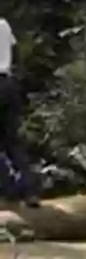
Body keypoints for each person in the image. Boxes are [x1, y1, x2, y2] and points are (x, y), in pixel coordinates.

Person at [0, 17, 39, 207]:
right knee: (13, 142)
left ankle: (10, 192)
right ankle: (29, 191)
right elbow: (16, 50)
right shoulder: (4, 24)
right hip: (8, 84)